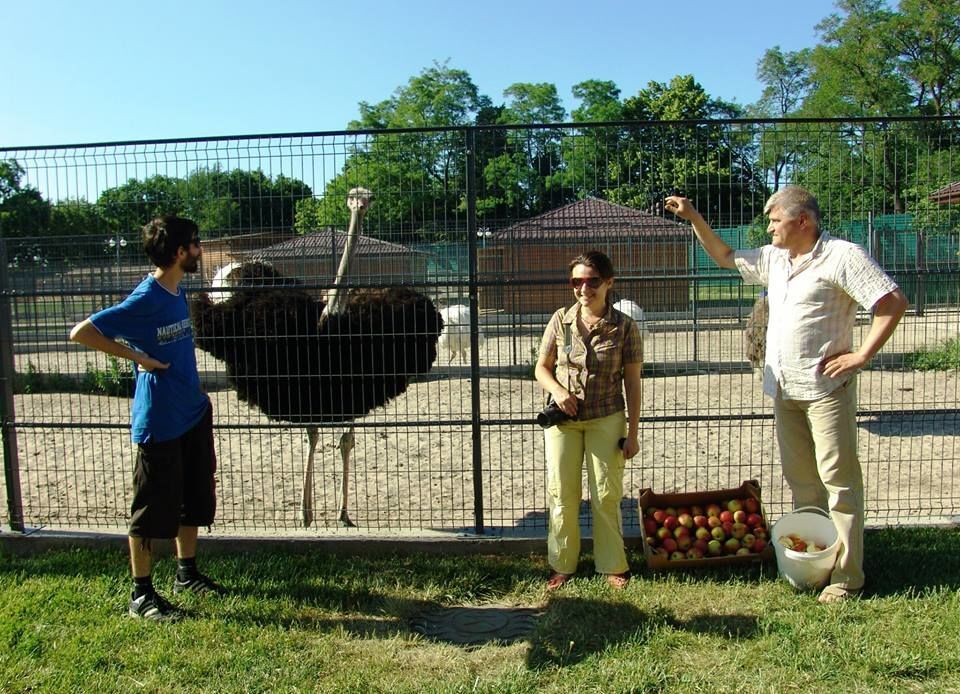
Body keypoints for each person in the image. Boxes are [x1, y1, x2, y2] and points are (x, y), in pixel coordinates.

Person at [665, 186, 908, 603]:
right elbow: (725, 256)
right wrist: (694, 218)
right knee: (802, 484)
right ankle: (814, 563)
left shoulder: (843, 256)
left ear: (803, 221)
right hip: (784, 389)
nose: (768, 226)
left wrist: (862, 355)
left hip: (827, 390)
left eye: (775, 219)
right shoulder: (776, 259)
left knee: (840, 485)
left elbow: (892, 302)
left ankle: (849, 577)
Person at [70, 215, 225, 621]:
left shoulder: (177, 293)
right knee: (150, 511)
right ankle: (141, 596)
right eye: (194, 244)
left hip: (191, 414)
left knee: (194, 500)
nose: (199, 249)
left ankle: (186, 574)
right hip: (159, 422)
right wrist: (137, 357)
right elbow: (82, 332)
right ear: (179, 253)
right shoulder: (146, 299)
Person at [534, 250, 644, 591]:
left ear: (609, 283)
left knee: (606, 494)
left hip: (606, 417)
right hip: (563, 421)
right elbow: (541, 367)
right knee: (561, 493)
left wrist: (633, 433)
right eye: (577, 281)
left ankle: (612, 565)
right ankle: (561, 564)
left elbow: (633, 382)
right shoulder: (560, 321)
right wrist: (558, 391)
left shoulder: (624, 327)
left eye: (592, 281)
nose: (584, 288)